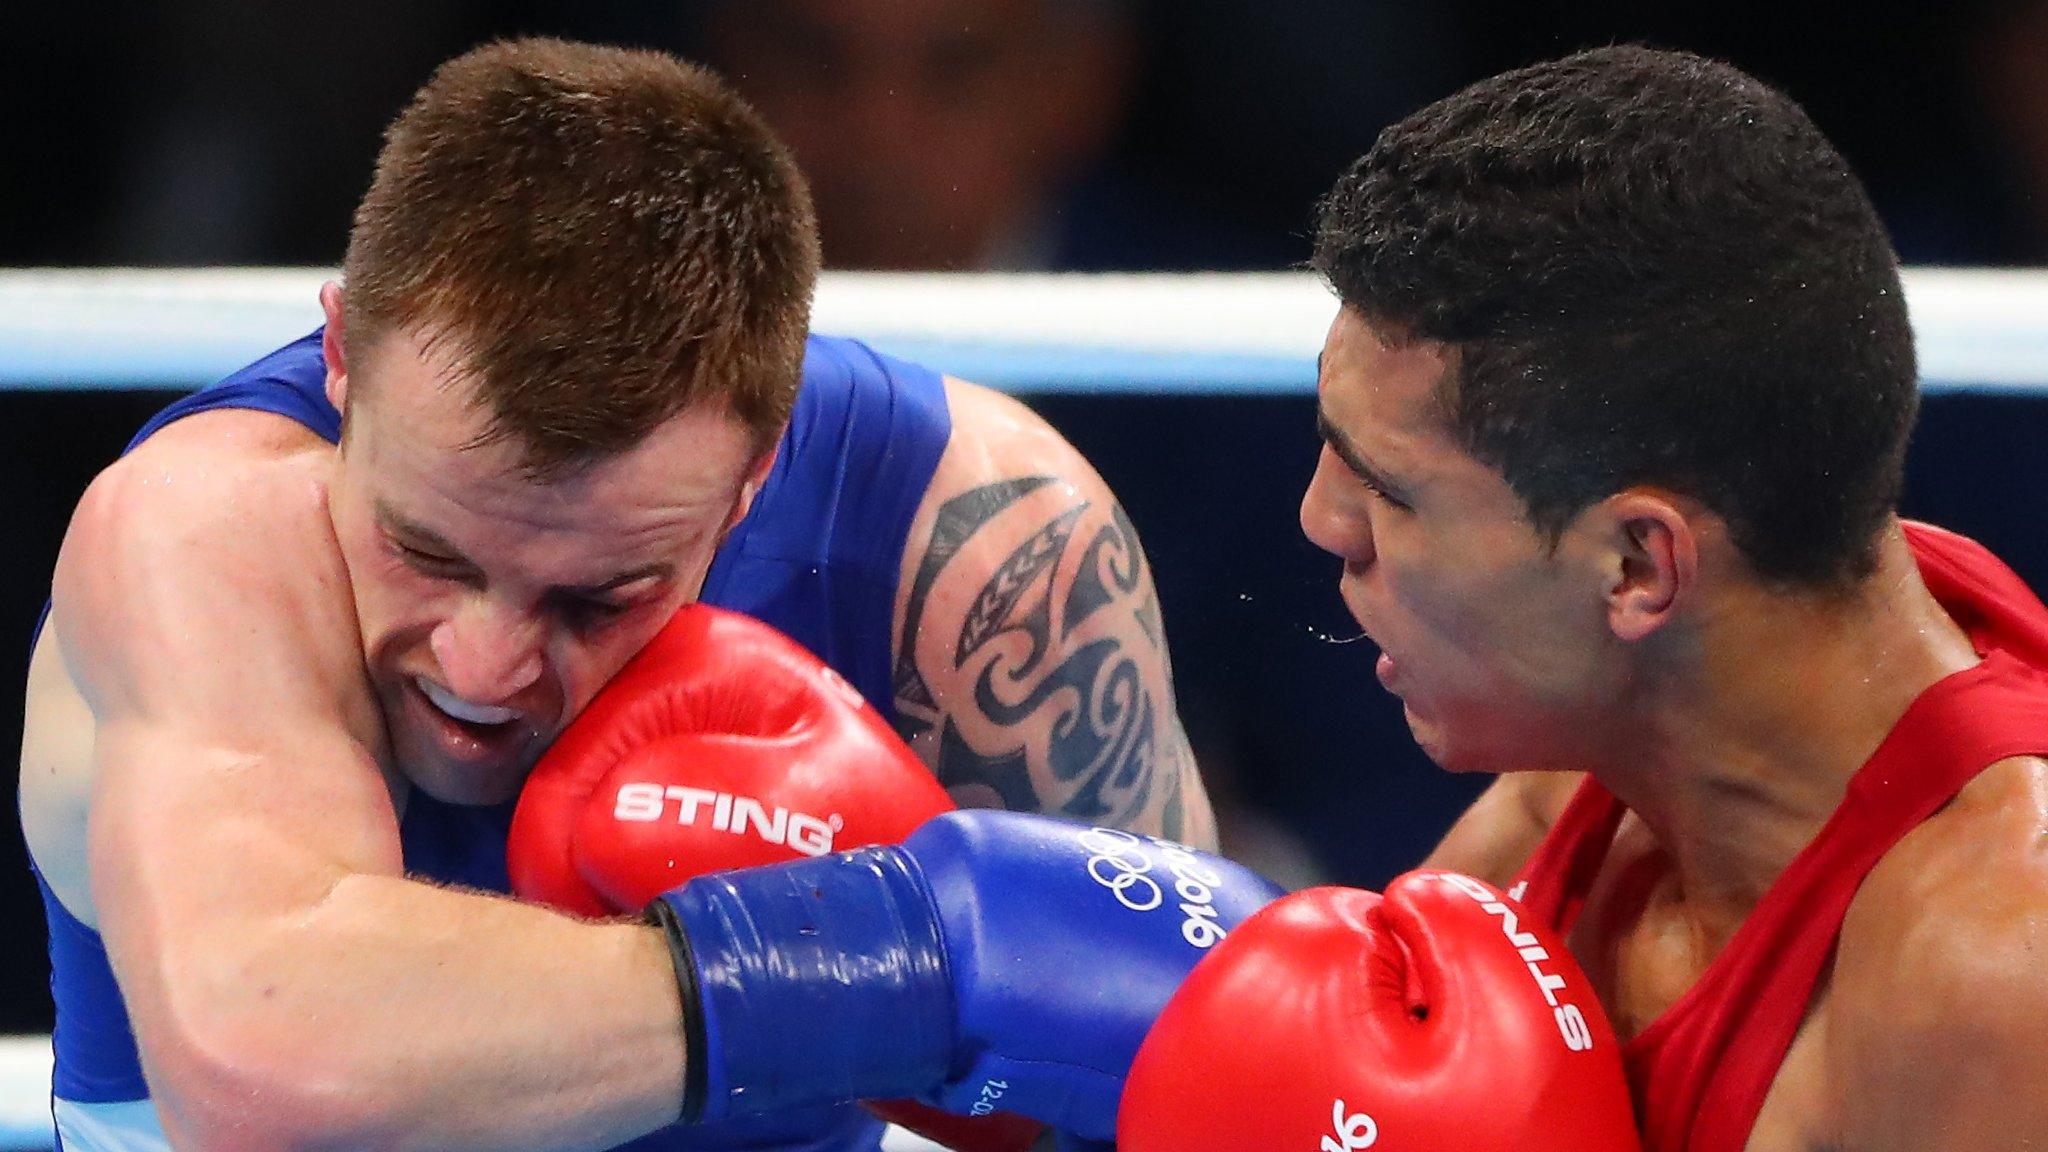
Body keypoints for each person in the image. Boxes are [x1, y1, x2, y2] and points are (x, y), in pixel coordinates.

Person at [16, 37, 1216, 1152]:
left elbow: (1190, 1088)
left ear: (751, 478)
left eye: (596, 598)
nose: (483, 670)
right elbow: (260, 1062)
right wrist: (882, 956)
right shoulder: (203, 531)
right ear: (340, 358)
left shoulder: (972, 554)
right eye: (427, 554)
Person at [1111, 44, 2048, 1151]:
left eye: (1387, 489)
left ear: (1636, 568)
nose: (1322, 522)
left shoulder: (1990, 976)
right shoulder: (1598, 755)